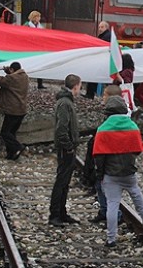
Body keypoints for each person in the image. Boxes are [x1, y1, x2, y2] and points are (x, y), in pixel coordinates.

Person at [93, 85, 143, 247]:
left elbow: (98, 156)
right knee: (136, 193)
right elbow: (138, 149)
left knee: (112, 205)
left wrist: (101, 174)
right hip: (128, 171)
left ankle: (111, 239)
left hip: (110, 174)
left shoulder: (103, 129)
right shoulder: (132, 127)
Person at [49, 74, 82, 227]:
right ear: (75, 86)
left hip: (67, 148)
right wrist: (68, 146)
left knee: (65, 182)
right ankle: (55, 214)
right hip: (65, 149)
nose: (80, 90)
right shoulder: (65, 103)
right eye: (80, 86)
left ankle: (61, 213)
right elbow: (61, 128)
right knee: (61, 181)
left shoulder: (66, 102)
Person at [0, 62, 29, 160]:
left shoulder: (11, 79)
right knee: (11, 133)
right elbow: (12, 81)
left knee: (5, 132)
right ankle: (11, 154)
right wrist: (9, 72)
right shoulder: (25, 77)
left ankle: (18, 147)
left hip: (13, 110)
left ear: (12, 70)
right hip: (22, 110)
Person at [84, 21, 112, 99]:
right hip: (102, 59)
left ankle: (90, 94)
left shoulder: (106, 36)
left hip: (102, 59)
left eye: (102, 27)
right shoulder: (105, 35)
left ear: (106, 27)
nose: (100, 29)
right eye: (99, 27)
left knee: (94, 75)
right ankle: (91, 93)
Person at [26, 10, 47, 89]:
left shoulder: (40, 27)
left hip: (38, 48)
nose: (39, 18)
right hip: (29, 48)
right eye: (38, 16)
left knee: (39, 65)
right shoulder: (27, 26)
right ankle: (25, 82)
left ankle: (40, 83)